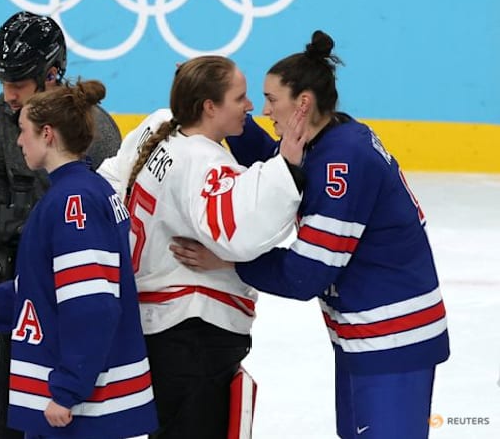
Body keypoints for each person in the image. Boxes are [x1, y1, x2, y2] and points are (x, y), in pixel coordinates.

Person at [223, 30, 450, 438]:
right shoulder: (329, 139)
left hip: (391, 340)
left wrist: (228, 258)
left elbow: (305, 275)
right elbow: (274, 160)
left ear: (303, 103)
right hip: (367, 335)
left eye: (271, 99)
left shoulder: (341, 162)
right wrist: (222, 114)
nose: (264, 109)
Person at [96, 55, 307, 438]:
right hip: (193, 334)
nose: (250, 107)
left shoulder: (159, 127)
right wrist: (289, 165)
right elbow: (242, 232)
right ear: (209, 106)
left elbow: (110, 178)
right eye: (239, 98)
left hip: (156, 328)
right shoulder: (202, 161)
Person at [0, 79, 158, 438]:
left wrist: (68, 390)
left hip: (79, 414)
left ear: (47, 134)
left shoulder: (74, 203)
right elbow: (39, 290)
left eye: (24, 130)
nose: (18, 141)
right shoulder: (81, 191)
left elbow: (93, 305)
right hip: (76, 407)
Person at [0, 10, 122, 439]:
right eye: (2, 83)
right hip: (25, 294)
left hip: (76, 296)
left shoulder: (96, 131)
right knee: (9, 421)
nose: (8, 96)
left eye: (17, 84)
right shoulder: (3, 112)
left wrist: (44, 234)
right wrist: (0, 219)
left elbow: (112, 212)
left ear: (51, 74)